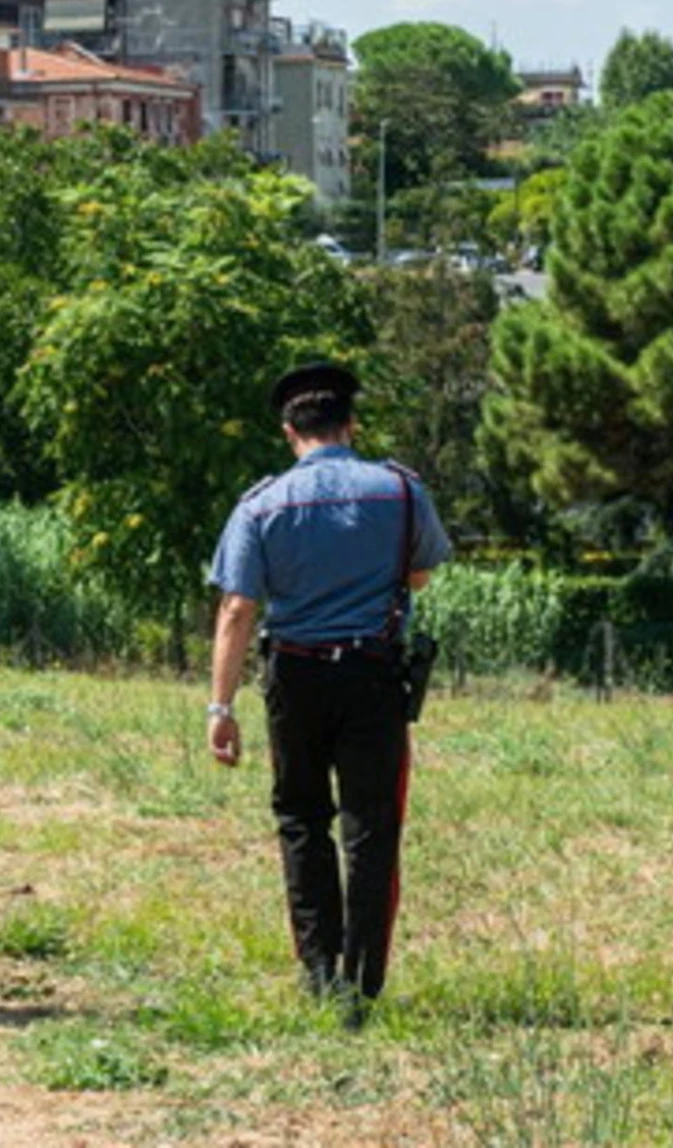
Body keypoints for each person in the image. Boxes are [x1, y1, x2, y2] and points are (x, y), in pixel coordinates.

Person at [204, 361, 451, 1019]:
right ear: (352, 424)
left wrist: (220, 707)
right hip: (373, 677)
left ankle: (319, 974)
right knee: (372, 828)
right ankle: (362, 984)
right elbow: (421, 572)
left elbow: (236, 608)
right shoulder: (399, 492)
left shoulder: (260, 505)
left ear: (289, 431)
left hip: (295, 675)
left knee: (302, 821)